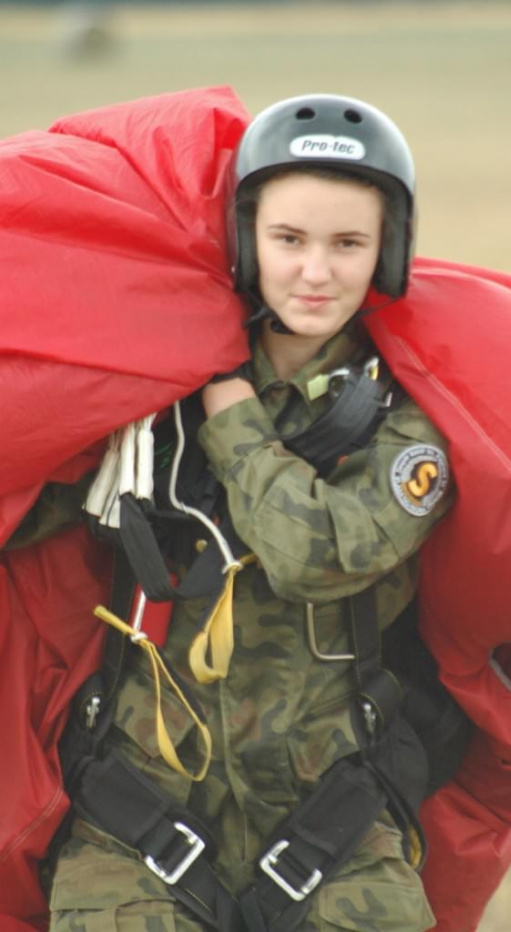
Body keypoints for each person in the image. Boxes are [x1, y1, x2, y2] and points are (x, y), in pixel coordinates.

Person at [37, 94, 457, 931]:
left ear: (388, 252)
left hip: (332, 817)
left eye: (348, 245)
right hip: (136, 811)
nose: (316, 272)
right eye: (288, 240)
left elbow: (314, 556)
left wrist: (229, 409)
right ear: (243, 243)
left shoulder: (409, 422)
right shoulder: (148, 393)